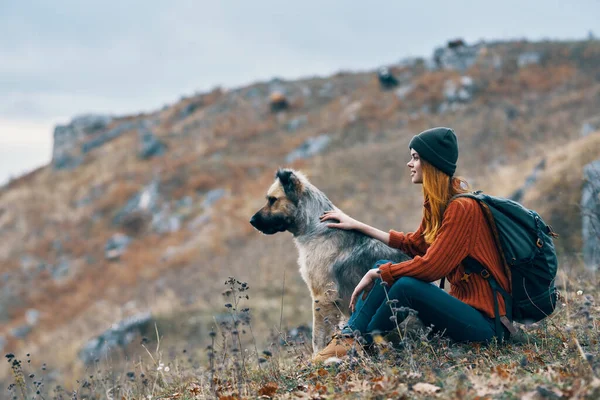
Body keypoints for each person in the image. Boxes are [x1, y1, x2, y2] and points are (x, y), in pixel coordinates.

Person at [313, 127, 511, 362]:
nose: (409, 164)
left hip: (488, 327)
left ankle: (356, 347)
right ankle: (350, 340)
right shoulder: (439, 204)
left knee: (403, 284)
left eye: (415, 158)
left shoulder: (463, 209)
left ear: (432, 162)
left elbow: (431, 268)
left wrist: (378, 274)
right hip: (464, 314)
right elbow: (415, 244)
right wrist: (358, 225)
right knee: (386, 266)